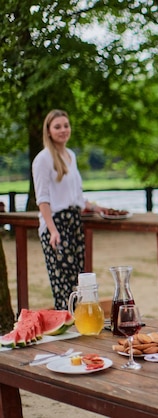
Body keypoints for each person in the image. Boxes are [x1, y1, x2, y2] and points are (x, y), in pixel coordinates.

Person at [32, 109, 108, 310]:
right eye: (57, 126)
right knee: (63, 285)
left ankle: (79, 329)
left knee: (79, 282)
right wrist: (52, 230)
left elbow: (76, 197)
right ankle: (64, 327)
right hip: (56, 223)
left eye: (66, 125)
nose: (63, 130)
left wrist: (96, 207)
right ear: (48, 131)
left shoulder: (70, 155)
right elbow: (43, 199)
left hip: (74, 222)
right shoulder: (43, 159)